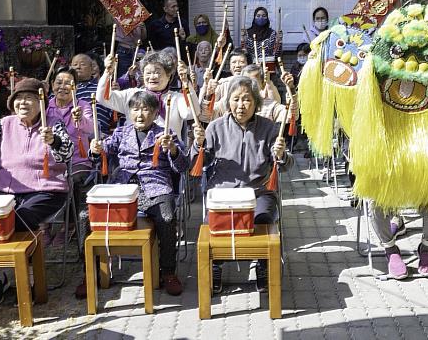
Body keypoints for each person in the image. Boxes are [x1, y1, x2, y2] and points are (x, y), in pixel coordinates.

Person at [0, 78, 72, 306]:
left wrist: (54, 141)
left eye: (29, 98)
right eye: (18, 98)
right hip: (6, 192)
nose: (23, 103)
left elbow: (67, 154)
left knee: (19, 219)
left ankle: (28, 279)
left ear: (41, 102)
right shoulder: (5, 124)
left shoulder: (53, 123)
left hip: (45, 190)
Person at [192, 76, 291, 294]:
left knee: (262, 219)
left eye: (247, 99)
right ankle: (215, 265)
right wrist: (197, 146)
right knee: (213, 223)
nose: (241, 105)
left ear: (256, 102)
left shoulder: (269, 128)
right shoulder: (215, 128)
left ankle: (263, 266)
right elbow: (199, 163)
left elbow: (285, 165)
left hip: (258, 192)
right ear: (228, 102)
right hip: (223, 195)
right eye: (236, 99)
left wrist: (281, 155)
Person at [89, 91, 187, 296]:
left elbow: (182, 166)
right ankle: (90, 272)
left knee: (167, 218)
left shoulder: (165, 134)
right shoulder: (121, 132)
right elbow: (102, 153)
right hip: (122, 188)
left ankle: (168, 271)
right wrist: (96, 149)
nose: (140, 114)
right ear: (129, 111)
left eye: (146, 109)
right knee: (86, 217)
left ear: (154, 113)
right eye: (135, 109)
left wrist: (173, 150)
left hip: (155, 186)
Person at [46, 67, 95, 254]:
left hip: (77, 159)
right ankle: (43, 227)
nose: (63, 86)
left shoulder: (82, 105)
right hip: (51, 161)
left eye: (68, 83)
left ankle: (69, 225)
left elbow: (91, 129)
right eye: (59, 82)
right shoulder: (45, 107)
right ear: (52, 85)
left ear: (75, 87)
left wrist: (81, 119)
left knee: (72, 180)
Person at [97, 50, 199, 140]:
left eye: (157, 72)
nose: (152, 77)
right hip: (135, 153)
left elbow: (192, 112)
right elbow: (103, 98)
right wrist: (107, 72)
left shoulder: (176, 98)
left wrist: (186, 81)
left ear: (169, 76)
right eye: (148, 73)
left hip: (167, 151)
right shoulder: (132, 94)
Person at [206, 65, 297, 123]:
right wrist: (208, 95)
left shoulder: (270, 106)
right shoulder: (230, 101)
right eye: (245, 81)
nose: (249, 86)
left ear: (263, 84)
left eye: (253, 82)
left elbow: (291, 117)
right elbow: (206, 115)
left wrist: (291, 89)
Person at [70, 53, 112, 133]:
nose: (78, 67)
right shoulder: (68, 90)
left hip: (99, 132)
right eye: (75, 65)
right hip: (74, 132)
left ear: (92, 69)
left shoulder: (101, 87)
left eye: (82, 64)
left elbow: (113, 111)